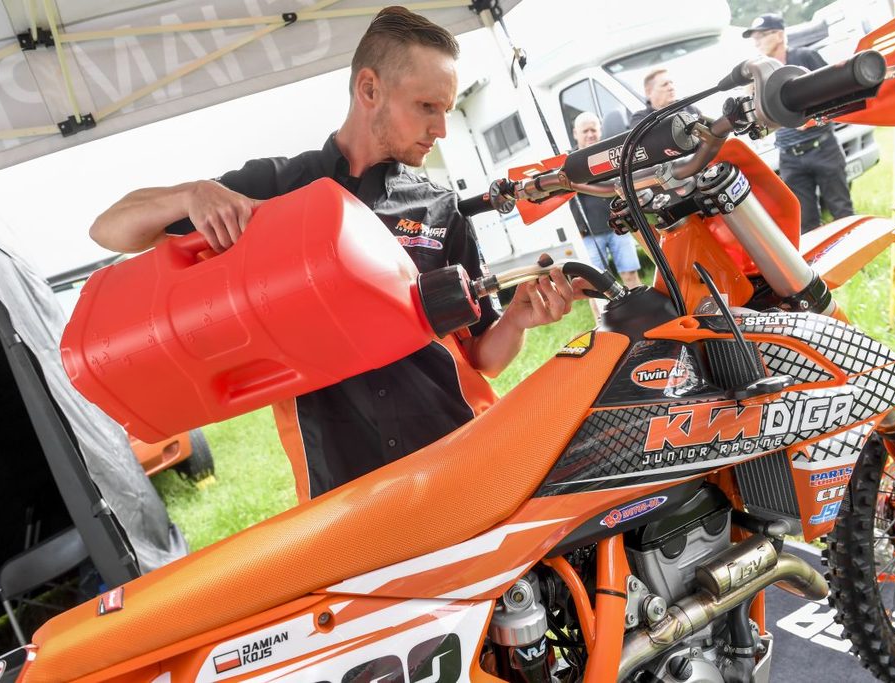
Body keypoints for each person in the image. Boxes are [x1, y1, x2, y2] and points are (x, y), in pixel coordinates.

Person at [89, 6, 579, 503]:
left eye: (446, 111)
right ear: (369, 89)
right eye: (427, 106)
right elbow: (109, 230)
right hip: (342, 486)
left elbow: (481, 358)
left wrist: (517, 320)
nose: (441, 129)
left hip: (459, 452)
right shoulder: (271, 191)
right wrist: (190, 194)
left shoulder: (439, 207)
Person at [744, 12, 854, 233]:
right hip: (789, 156)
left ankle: (857, 252)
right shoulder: (760, 74)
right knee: (806, 225)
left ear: (779, 35)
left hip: (823, 148)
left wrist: (812, 117)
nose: (757, 42)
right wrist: (750, 93)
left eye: (761, 36)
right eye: (754, 38)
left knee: (842, 212)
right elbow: (758, 117)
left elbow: (835, 91)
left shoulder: (805, 57)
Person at [568, 111, 642, 288]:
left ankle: (641, 304)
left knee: (630, 274)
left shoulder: (612, 154)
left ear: (600, 130)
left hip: (619, 225)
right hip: (589, 234)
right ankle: (603, 309)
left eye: (593, 130)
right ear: (575, 134)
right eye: (585, 131)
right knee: (594, 285)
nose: (590, 135)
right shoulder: (568, 162)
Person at [628, 68, 702, 128]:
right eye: (664, 84)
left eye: (671, 83)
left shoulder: (689, 108)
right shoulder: (641, 119)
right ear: (649, 92)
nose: (671, 87)